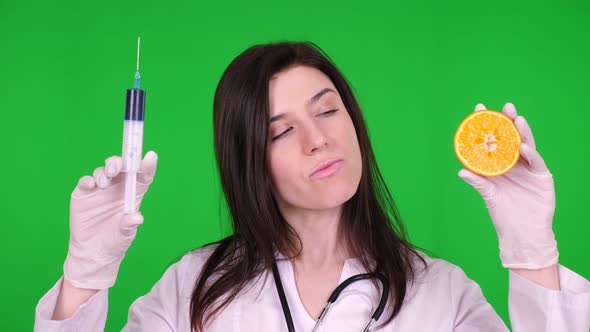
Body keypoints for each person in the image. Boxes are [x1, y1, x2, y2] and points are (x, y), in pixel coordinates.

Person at [34, 41, 590, 332]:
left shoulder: (443, 295)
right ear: (248, 160)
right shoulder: (191, 291)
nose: (318, 139)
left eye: (328, 111)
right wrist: (83, 276)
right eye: (282, 131)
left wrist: (534, 256)